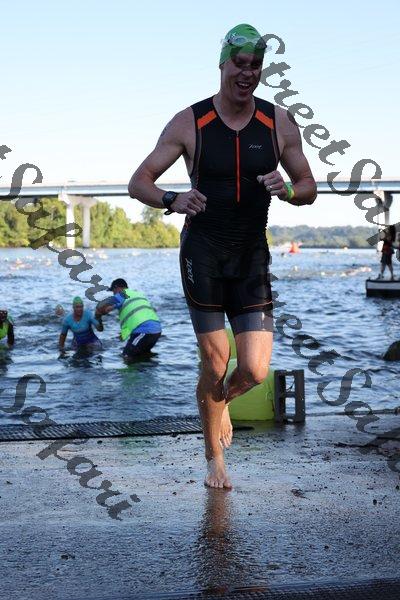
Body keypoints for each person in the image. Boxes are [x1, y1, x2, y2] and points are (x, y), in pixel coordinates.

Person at [127, 23, 317, 488]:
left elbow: (309, 186)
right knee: (215, 362)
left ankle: (220, 402)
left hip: (251, 256)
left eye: (256, 66)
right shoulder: (189, 122)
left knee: (254, 369)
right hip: (204, 254)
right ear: (222, 64)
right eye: (240, 63)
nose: (247, 73)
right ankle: (215, 458)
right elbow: (139, 182)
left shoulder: (278, 123)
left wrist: (289, 190)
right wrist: (172, 199)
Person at [95, 278, 161, 359]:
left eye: (113, 291)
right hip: (156, 330)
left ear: (116, 288)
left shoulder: (122, 294)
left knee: (127, 356)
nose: (114, 294)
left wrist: (98, 313)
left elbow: (106, 308)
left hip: (144, 331)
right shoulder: (138, 294)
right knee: (143, 356)